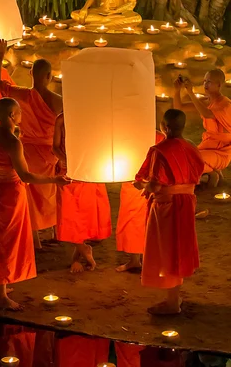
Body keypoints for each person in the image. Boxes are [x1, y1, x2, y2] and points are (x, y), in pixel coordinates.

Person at [0, 97, 68, 310]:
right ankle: (0, 295)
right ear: (11, 115)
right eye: (19, 112)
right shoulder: (13, 142)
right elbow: (25, 175)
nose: (21, 116)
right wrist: (55, 179)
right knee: (6, 241)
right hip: (10, 194)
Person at [0, 39, 62, 247]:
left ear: (31, 74)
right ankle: (55, 230)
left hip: (26, 150)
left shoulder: (21, 95)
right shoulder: (58, 101)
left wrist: (0, 54)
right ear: (49, 77)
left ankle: (35, 238)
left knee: (30, 192)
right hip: (50, 151)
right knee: (51, 191)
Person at [135, 108, 203, 315]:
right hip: (187, 202)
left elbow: (155, 185)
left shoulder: (160, 150)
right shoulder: (192, 148)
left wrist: (142, 186)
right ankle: (174, 297)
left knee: (168, 250)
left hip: (167, 205)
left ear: (165, 127)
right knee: (179, 248)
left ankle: (172, 302)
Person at [53, 112, 111, 273]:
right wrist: (64, 158)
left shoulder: (93, 117)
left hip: (88, 169)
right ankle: (83, 248)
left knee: (84, 214)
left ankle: (77, 257)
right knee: (69, 214)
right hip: (67, 170)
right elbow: (55, 146)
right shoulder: (62, 118)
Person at [116, 130, 165, 273]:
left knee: (151, 220)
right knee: (131, 220)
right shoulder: (126, 135)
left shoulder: (159, 138)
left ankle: (151, 260)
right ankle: (134, 260)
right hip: (131, 180)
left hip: (152, 184)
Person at [173, 70, 231, 187]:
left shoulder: (226, 105)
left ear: (219, 85)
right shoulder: (206, 101)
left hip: (221, 153)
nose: (205, 84)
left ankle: (207, 175)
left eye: (209, 82)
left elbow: (208, 114)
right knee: (181, 157)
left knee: (191, 161)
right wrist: (177, 90)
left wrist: (191, 93)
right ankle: (209, 173)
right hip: (206, 147)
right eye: (204, 81)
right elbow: (179, 107)